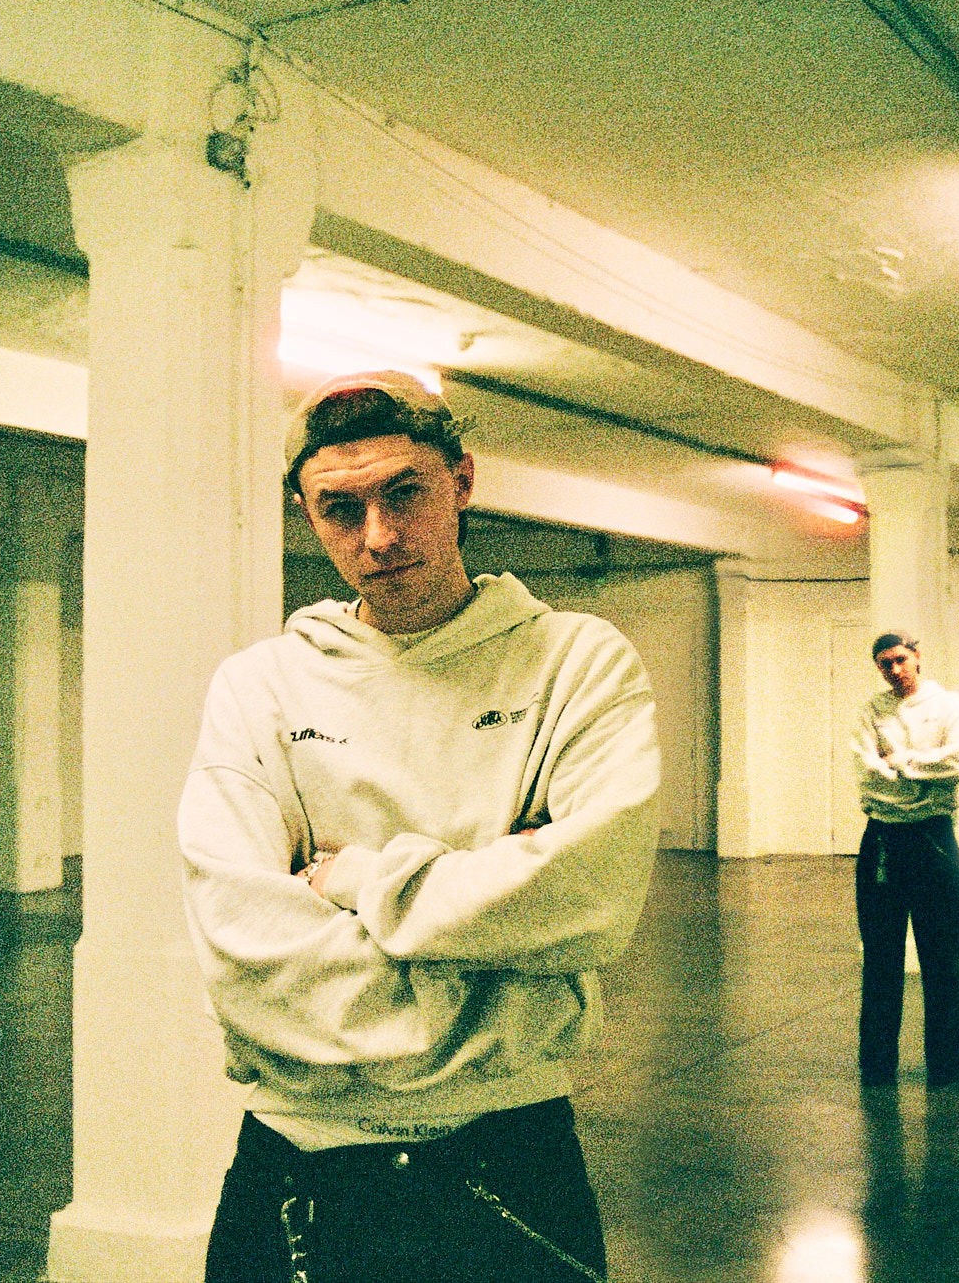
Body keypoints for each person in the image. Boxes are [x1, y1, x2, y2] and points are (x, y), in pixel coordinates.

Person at [179, 370, 661, 1283]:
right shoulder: (260, 687)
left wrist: (361, 884)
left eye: (406, 493)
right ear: (305, 512)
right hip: (297, 1156)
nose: (381, 537)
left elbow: (586, 899)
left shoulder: (576, 664)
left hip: (511, 1147)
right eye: (341, 509)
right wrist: (488, 927)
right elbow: (244, 943)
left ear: (463, 481)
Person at [850, 630, 959, 1088]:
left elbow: (957, 764)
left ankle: (947, 1066)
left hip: (933, 841)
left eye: (900, 660)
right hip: (881, 842)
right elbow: (867, 774)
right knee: (880, 959)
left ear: (918, 656)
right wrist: (923, 771)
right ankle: (877, 1064)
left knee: (942, 958)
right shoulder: (871, 711)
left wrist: (899, 761)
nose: (894, 670)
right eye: (884, 664)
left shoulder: (952, 707)